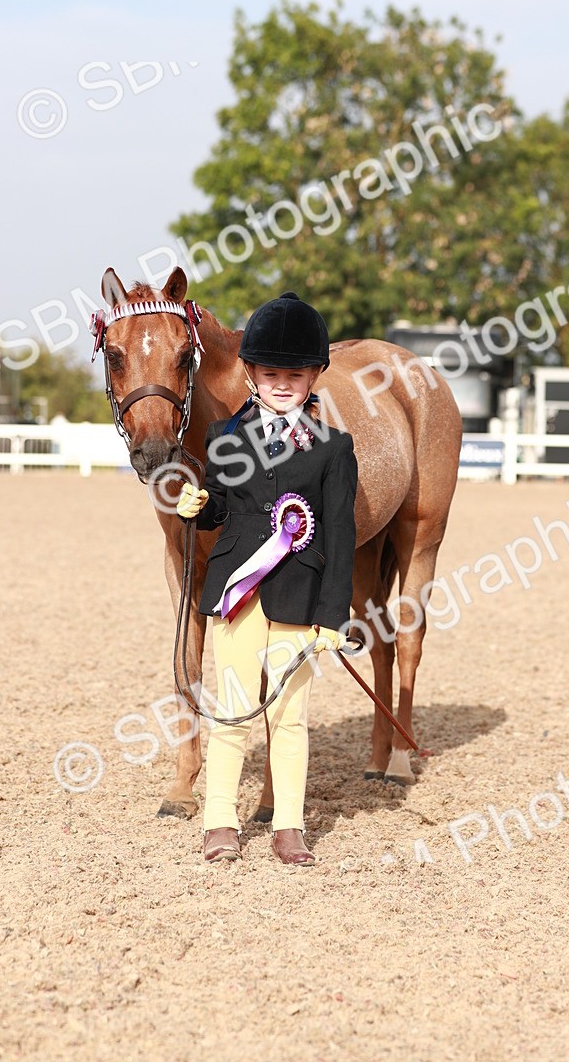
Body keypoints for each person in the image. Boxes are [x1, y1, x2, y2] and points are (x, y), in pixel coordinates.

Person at [177, 291, 358, 867]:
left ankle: (289, 827)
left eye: (296, 374)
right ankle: (220, 822)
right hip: (237, 591)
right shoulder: (226, 439)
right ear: (252, 372)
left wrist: (334, 617)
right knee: (232, 710)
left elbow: (340, 532)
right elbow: (220, 510)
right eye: (272, 372)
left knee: (290, 716)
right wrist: (196, 507)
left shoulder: (334, 448)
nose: (284, 383)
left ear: (313, 377)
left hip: (301, 595)